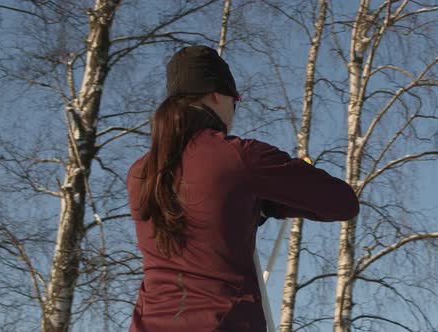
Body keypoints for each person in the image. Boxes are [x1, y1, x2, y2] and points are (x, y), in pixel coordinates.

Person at [126, 45, 359, 332]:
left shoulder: (140, 173)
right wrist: (274, 199)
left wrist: (252, 202)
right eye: (236, 99)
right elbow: (342, 202)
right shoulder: (240, 157)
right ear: (216, 95)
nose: (234, 109)